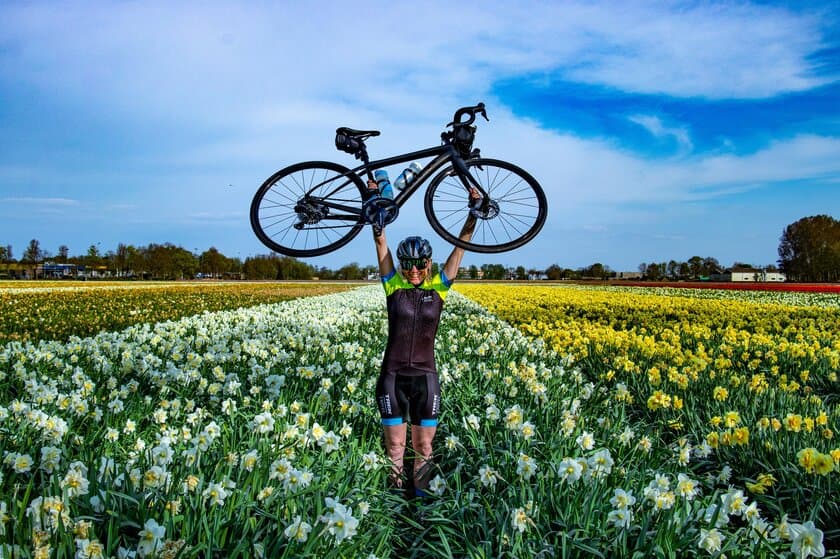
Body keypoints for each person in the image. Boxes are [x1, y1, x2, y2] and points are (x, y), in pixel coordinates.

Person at [369, 179, 478, 498]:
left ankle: (422, 506)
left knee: (424, 446)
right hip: (392, 377)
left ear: (429, 263)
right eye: (408, 263)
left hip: (425, 378)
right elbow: (380, 243)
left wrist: (472, 214)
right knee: (395, 447)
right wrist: (376, 203)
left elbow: (461, 247)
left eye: (421, 263)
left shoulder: (440, 288)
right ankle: (392, 504)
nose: (415, 269)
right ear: (401, 265)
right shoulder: (393, 286)